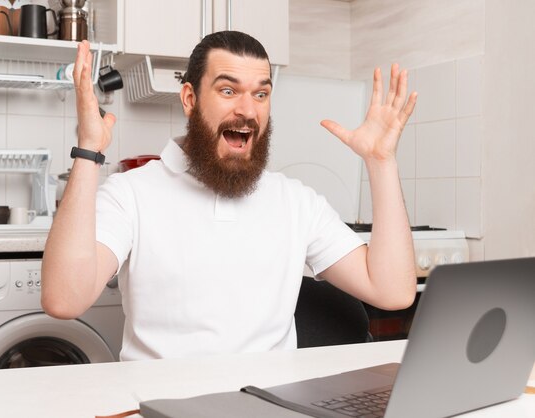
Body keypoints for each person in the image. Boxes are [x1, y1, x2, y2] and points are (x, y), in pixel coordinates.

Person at [41, 31, 417, 361]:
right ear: (189, 98)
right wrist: (89, 150)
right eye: (228, 90)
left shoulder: (296, 201)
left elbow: (393, 291)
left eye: (261, 94)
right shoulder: (130, 194)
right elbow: (64, 300)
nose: (247, 110)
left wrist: (381, 162)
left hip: (270, 405)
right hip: (163, 406)